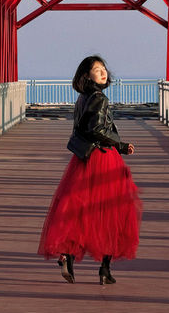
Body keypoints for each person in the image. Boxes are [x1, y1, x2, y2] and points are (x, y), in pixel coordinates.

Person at [37, 55, 142, 285]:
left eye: (103, 68)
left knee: (81, 211)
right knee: (113, 214)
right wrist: (121, 145)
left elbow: (82, 128)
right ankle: (105, 269)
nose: (103, 72)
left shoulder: (82, 99)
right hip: (104, 158)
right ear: (86, 76)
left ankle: (68, 256)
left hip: (83, 159)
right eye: (97, 69)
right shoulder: (99, 98)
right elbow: (96, 129)